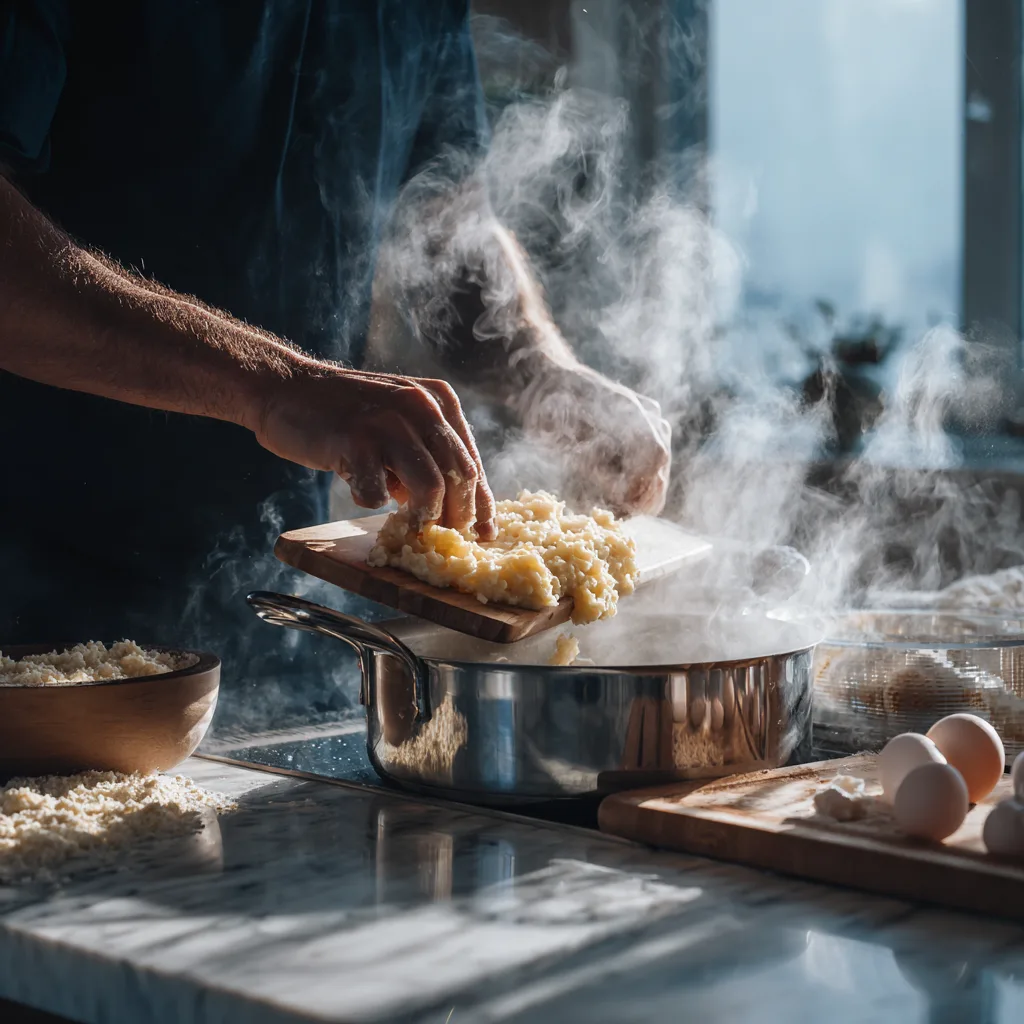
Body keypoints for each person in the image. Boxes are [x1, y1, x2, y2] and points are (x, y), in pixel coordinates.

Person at [0, 2, 670, 721]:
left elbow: (449, 235)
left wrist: (545, 375)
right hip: (40, 615)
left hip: (288, 621)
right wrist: (276, 387)